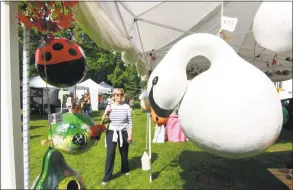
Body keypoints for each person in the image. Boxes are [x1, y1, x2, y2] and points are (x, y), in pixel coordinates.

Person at [101, 88, 133, 186]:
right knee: (110, 154)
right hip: (111, 132)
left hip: (123, 132)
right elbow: (103, 120)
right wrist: (106, 113)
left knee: (124, 153)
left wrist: (130, 135)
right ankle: (107, 177)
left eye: (121, 95)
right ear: (114, 96)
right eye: (117, 95)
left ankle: (125, 169)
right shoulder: (109, 106)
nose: (119, 96)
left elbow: (130, 122)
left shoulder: (127, 107)